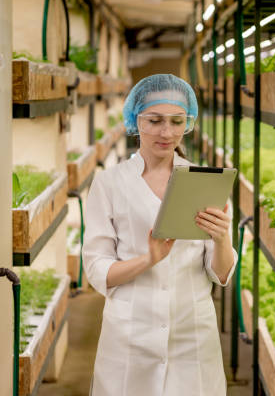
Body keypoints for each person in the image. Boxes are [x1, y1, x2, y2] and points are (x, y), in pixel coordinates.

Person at [83, 74, 238, 396]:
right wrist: (149, 259)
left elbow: (220, 274)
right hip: (130, 333)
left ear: (188, 123)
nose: (166, 132)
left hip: (191, 330)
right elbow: (97, 269)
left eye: (176, 121)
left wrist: (223, 239)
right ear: (135, 119)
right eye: (154, 120)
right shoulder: (109, 183)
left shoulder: (204, 182)